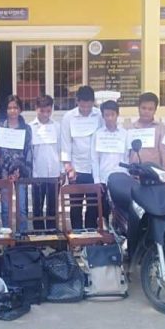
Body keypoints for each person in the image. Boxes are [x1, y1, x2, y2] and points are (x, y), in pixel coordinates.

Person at [60, 86, 103, 229]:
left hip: (94, 169)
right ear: (77, 101)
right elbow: (65, 143)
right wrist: (68, 167)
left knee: (93, 205)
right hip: (76, 168)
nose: (85, 110)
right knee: (76, 205)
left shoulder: (99, 115)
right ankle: (77, 235)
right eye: (82, 106)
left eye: (88, 107)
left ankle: (91, 235)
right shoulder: (68, 117)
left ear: (93, 102)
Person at [0, 95, 32, 232]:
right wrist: (5, 171)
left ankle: (22, 236)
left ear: (20, 109)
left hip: (20, 173)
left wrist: (19, 171)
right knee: (5, 208)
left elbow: (28, 152)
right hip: (4, 173)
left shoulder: (26, 129)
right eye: (9, 108)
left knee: (21, 207)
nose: (12, 111)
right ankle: (7, 236)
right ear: (6, 110)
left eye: (15, 107)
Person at [90, 100, 128, 226]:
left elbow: (127, 156)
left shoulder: (125, 134)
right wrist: (97, 180)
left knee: (120, 212)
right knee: (103, 211)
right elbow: (94, 159)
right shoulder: (98, 134)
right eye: (107, 115)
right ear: (103, 116)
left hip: (121, 178)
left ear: (117, 114)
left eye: (112, 114)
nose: (110, 118)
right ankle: (105, 235)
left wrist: (127, 176)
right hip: (104, 179)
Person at [29, 95, 61, 230]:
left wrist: (62, 170)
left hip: (54, 172)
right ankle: (38, 234)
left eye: (48, 111)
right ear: (36, 109)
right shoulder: (30, 127)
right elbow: (29, 152)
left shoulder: (57, 127)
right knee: (37, 206)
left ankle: (52, 233)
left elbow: (61, 148)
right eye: (42, 111)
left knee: (52, 206)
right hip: (38, 173)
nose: (45, 114)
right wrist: (31, 172)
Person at [129, 92, 165, 169]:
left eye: (150, 109)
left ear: (155, 110)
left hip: (153, 173)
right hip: (134, 173)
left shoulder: (162, 129)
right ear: (138, 108)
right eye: (143, 108)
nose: (146, 111)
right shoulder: (130, 129)